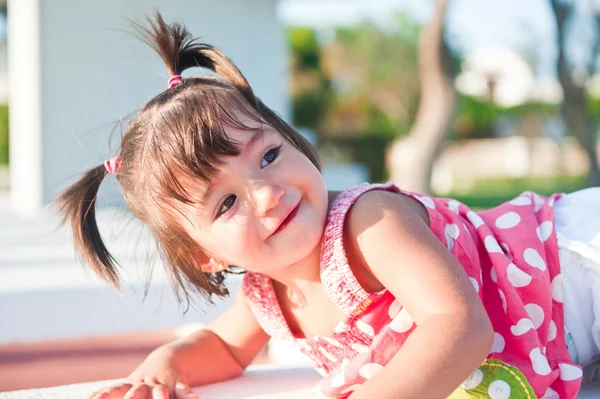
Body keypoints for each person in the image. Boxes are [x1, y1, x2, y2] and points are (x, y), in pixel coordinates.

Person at [58, 13, 600, 399]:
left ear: (292, 138)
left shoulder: (369, 223)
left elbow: (458, 325)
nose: (268, 192)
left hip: (574, 264)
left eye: (268, 154)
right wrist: (161, 369)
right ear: (206, 257)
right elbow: (224, 348)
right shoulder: (267, 293)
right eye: (226, 203)